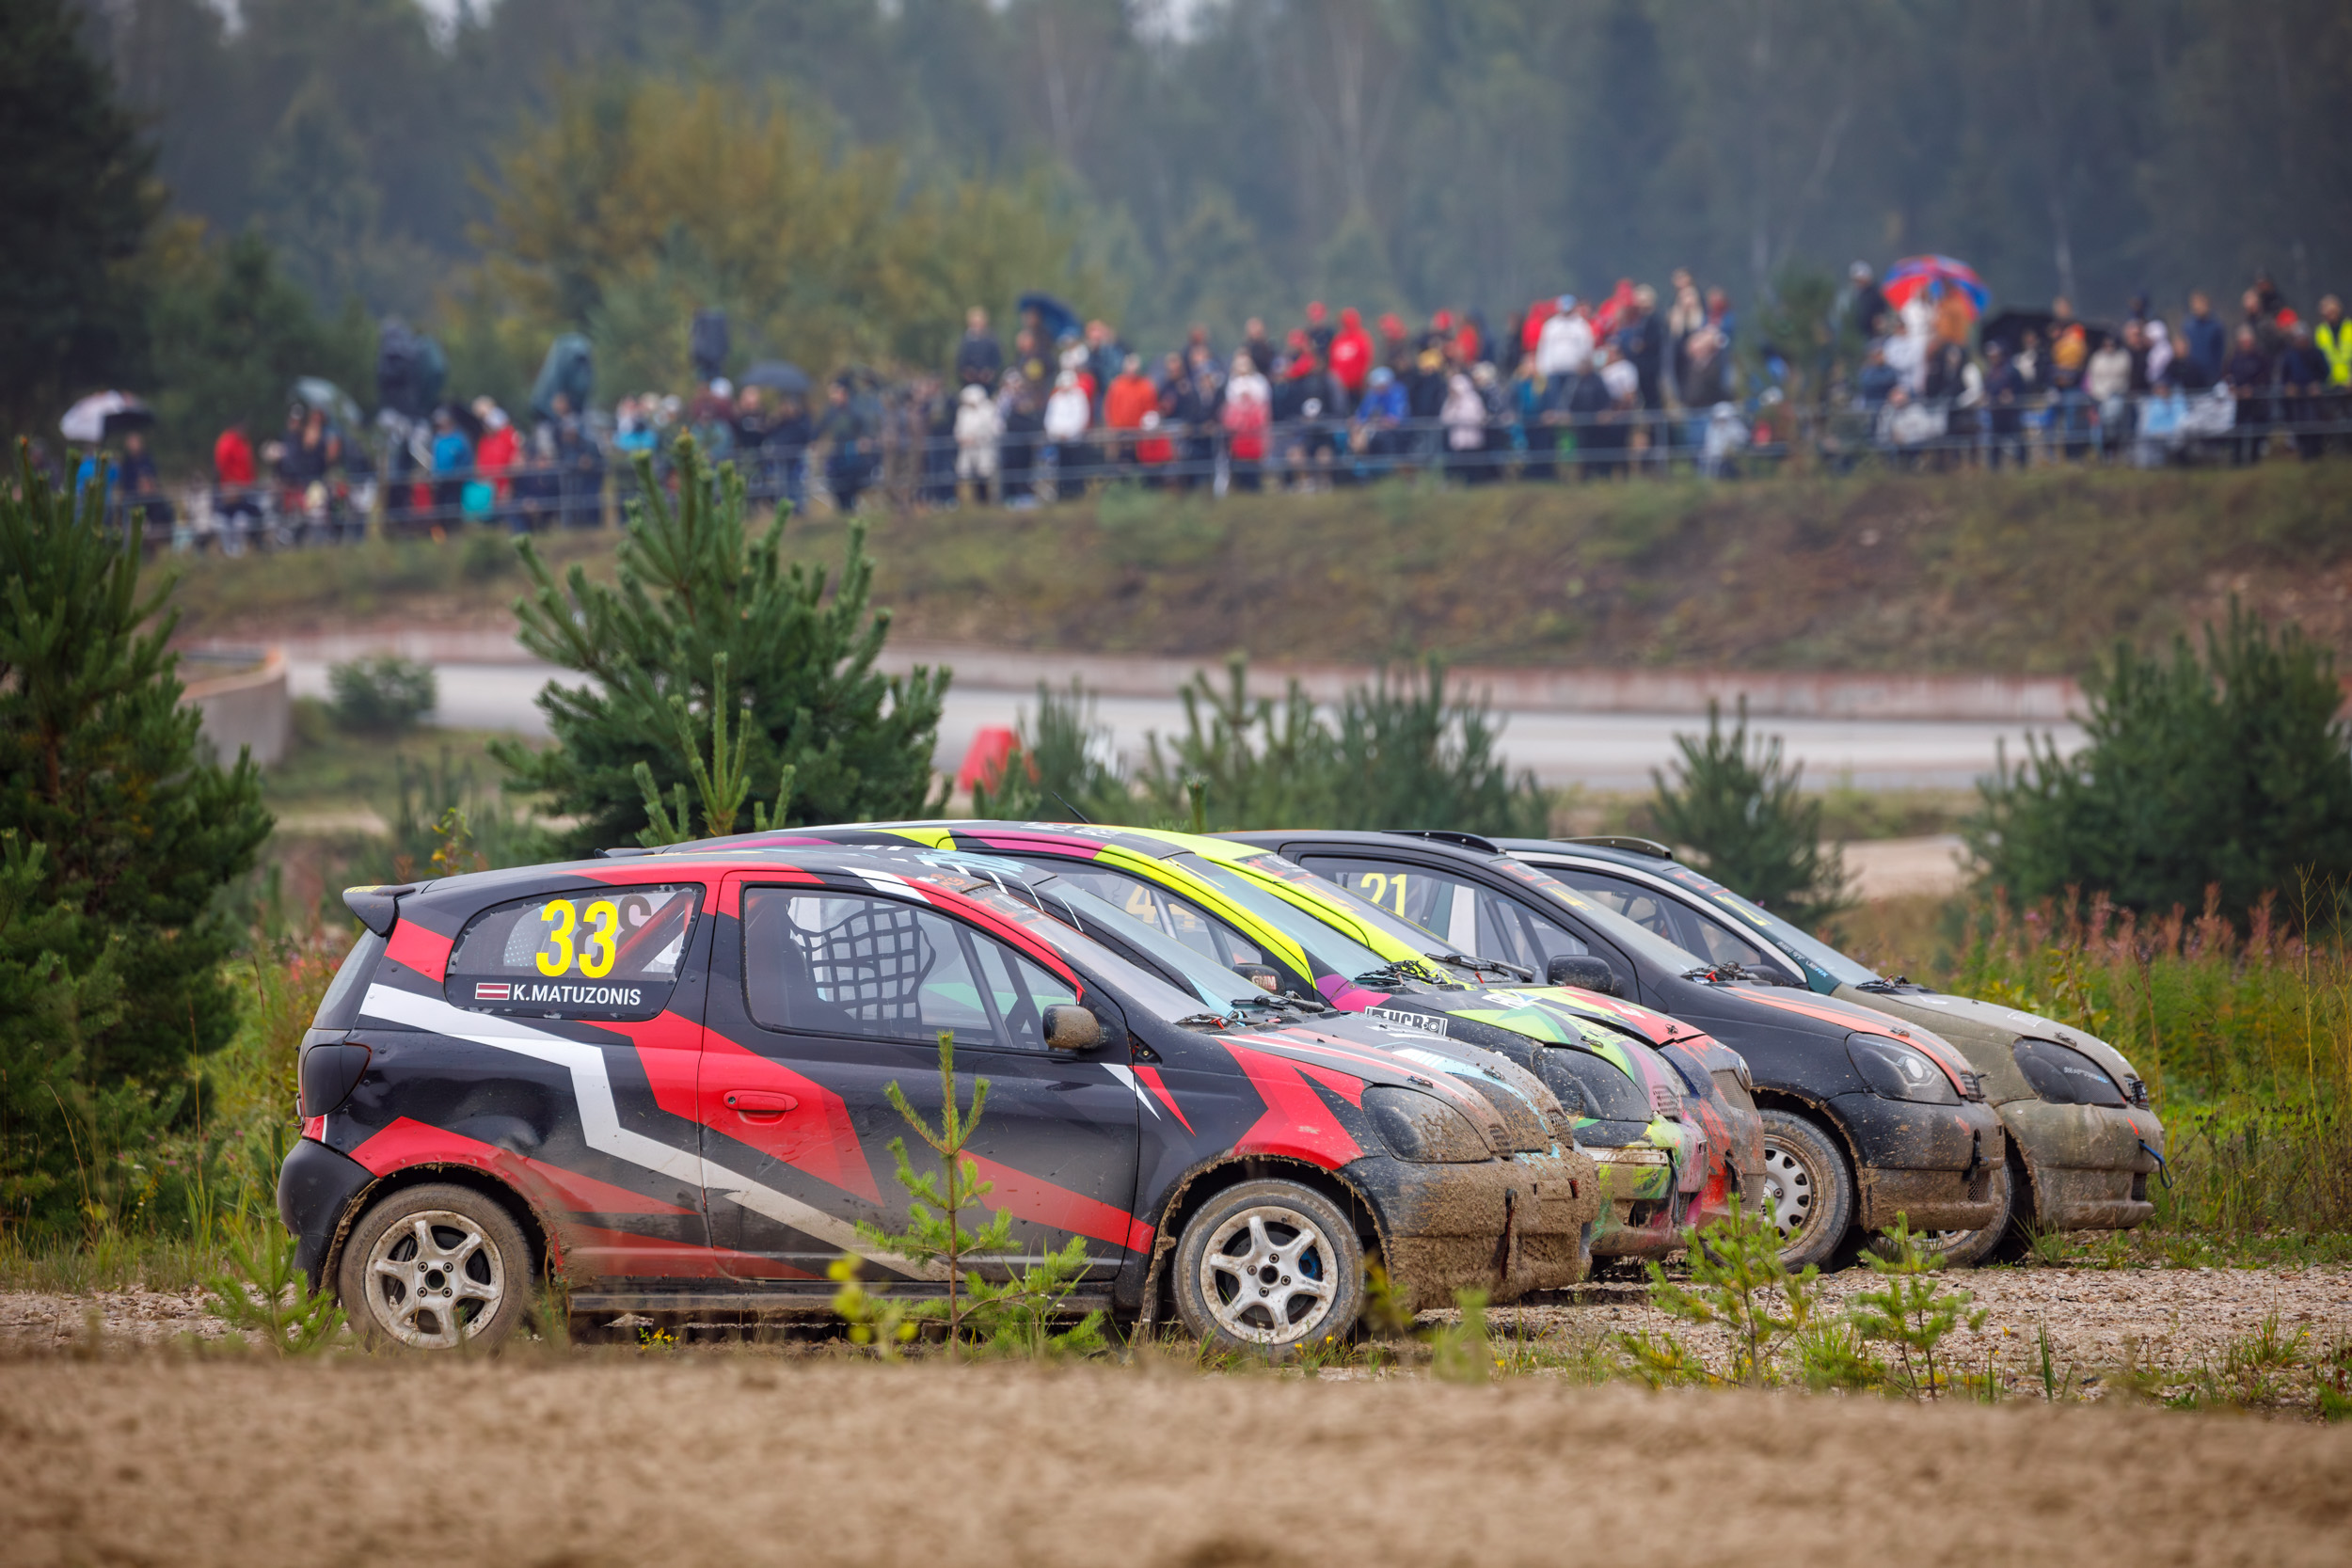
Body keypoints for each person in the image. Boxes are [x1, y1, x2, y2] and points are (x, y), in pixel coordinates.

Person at [1220, 351, 1271, 492]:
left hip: (1255, 430)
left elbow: (1263, 404)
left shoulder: (1259, 381)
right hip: (1239, 431)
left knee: (1254, 462)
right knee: (1239, 460)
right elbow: (1230, 407)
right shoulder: (1232, 383)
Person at [2223, 325, 2273, 466]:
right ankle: (2237, 459)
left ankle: (2254, 459)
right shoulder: (2233, 357)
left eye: (2248, 341)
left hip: (2256, 400)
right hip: (2238, 400)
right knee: (2237, 429)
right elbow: (2226, 375)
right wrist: (2233, 388)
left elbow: (2266, 377)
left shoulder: (2260, 356)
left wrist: (2253, 389)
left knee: (2257, 430)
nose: (2246, 344)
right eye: (2243, 341)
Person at [1104, 353, 1158, 475]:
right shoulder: (1117, 385)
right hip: (1120, 431)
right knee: (1120, 462)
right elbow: (1110, 407)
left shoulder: (1145, 386)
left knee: (1139, 463)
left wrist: (1145, 429)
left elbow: (1150, 409)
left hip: (1139, 433)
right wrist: (1113, 427)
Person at [1043, 368, 1094, 497]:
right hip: (1059, 442)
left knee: (1076, 469)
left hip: (1075, 441)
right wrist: (1057, 433)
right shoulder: (1056, 399)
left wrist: (1069, 433)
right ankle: (1063, 494)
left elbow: (1082, 418)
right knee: (1061, 469)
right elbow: (1049, 420)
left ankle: (1077, 494)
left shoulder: (1079, 397)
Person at [213, 420, 260, 544]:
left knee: (245, 519)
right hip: (230, 490)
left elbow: (249, 467)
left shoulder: (244, 442)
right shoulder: (227, 442)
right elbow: (221, 467)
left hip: (245, 490)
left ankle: (247, 546)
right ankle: (230, 549)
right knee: (227, 521)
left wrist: (251, 483)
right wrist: (229, 485)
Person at [1327, 307, 1374, 406]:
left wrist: (1361, 379)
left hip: (1357, 386)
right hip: (1340, 386)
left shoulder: (1361, 338)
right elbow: (1333, 363)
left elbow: (1366, 360)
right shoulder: (1338, 340)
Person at [956, 307, 1002, 390]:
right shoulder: (965, 341)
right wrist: (967, 373)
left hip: (988, 384)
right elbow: (960, 361)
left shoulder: (991, 340)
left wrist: (989, 373)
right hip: (969, 383)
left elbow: (996, 360)